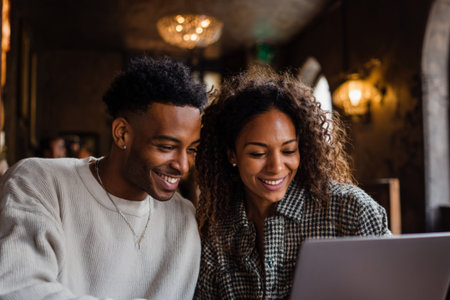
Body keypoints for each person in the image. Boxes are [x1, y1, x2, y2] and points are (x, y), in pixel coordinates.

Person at [0, 56, 208, 299]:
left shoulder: (185, 219)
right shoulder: (39, 182)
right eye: (165, 147)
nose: (183, 166)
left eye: (192, 149)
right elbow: (19, 288)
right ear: (122, 134)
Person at [194, 66, 390, 299]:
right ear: (232, 155)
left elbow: (395, 289)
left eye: (289, 150)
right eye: (257, 153)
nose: (277, 167)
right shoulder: (216, 229)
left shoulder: (351, 211)